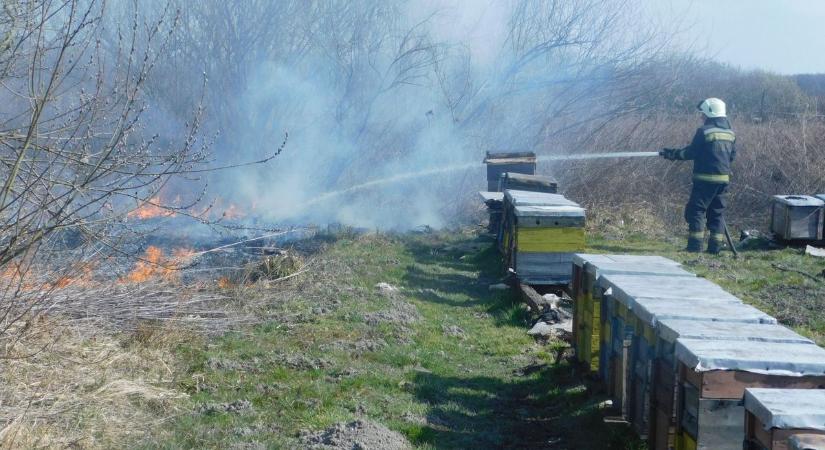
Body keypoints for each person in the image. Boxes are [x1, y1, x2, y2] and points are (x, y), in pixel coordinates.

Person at [661, 98, 736, 254]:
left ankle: (694, 247)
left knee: (696, 211)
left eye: (703, 114)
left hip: (705, 180)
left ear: (710, 113)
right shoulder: (730, 133)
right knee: (717, 213)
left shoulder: (704, 132)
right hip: (723, 181)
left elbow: (691, 153)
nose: (701, 117)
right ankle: (714, 248)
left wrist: (673, 154)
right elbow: (732, 156)